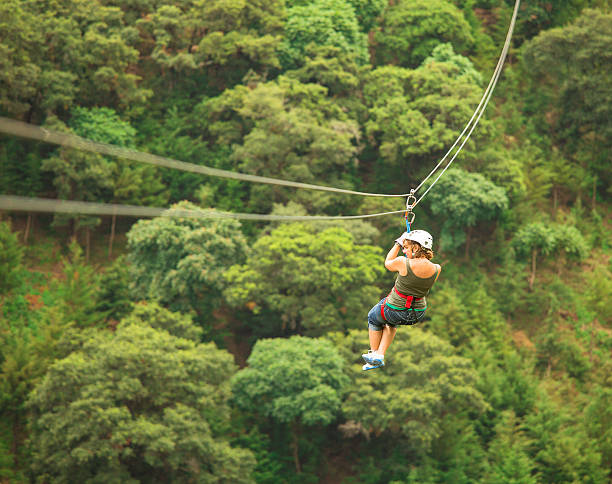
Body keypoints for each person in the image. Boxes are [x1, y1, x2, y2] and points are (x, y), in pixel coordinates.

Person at [362, 230, 441, 371]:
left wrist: (398, 243)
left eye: (406, 248)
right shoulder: (436, 268)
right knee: (391, 324)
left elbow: (388, 263)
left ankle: (374, 353)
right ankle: (380, 354)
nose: (404, 251)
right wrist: (407, 241)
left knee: (373, 318)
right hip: (417, 314)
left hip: (395, 310)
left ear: (416, 248)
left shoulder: (403, 262)